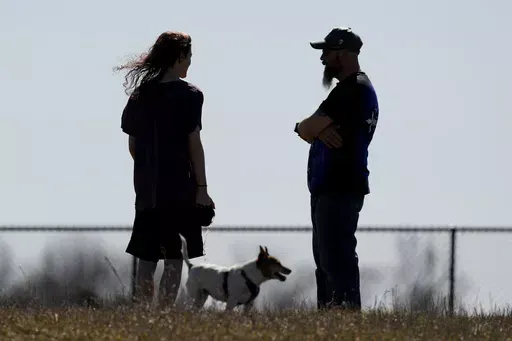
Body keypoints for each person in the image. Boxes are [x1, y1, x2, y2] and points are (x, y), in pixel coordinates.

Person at [115, 31, 215, 307]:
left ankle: (142, 313)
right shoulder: (190, 96)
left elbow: (132, 144)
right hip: (180, 188)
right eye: (189, 57)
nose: (190, 63)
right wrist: (202, 189)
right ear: (180, 56)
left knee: (146, 257)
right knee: (174, 255)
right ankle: (163, 316)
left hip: (147, 191)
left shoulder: (140, 95)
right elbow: (194, 144)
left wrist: (150, 170)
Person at [294, 27, 379, 310]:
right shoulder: (350, 89)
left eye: (327, 52)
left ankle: (345, 317)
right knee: (325, 259)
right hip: (330, 187)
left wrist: (310, 129)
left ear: (342, 53)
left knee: (336, 258)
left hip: (339, 186)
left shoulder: (351, 89)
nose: (322, 59)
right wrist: (313, 130)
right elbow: (308, 129)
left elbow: (307, 127)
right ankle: (330, 318)